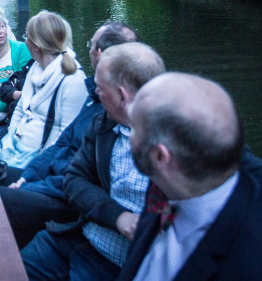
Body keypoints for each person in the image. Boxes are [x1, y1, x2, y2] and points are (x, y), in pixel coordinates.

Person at [118, 73, 262, 281]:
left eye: (133, 128)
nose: (125, 115)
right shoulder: (167, 186)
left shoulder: (256, 265)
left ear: (159, 157)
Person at [21, 42, 166, 281]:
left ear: (122, 96)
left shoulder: (178, 146)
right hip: (78, 237)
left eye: (100, 88)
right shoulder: (102, 125)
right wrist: (119, 217)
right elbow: (74, 180)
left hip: (120, 266)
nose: (95, 94)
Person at [0, 21, 139, 248]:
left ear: (100, 53)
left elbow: (77, 174)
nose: (88, 50)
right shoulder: (95, 97)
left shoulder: (105, 107)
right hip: (49, 178)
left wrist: (29, 185)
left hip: (64, 196)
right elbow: (62, 143)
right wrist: (29, 175)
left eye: (90, 45)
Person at [0, 11, 88, 166]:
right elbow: (20, 110)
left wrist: (35, 166)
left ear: (36, 46)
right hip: (16, 147)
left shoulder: (73, 81)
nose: (25, 41)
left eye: (27, 37)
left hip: (39, 162)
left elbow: (66, 136)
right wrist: (10, 140)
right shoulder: (35, 68)